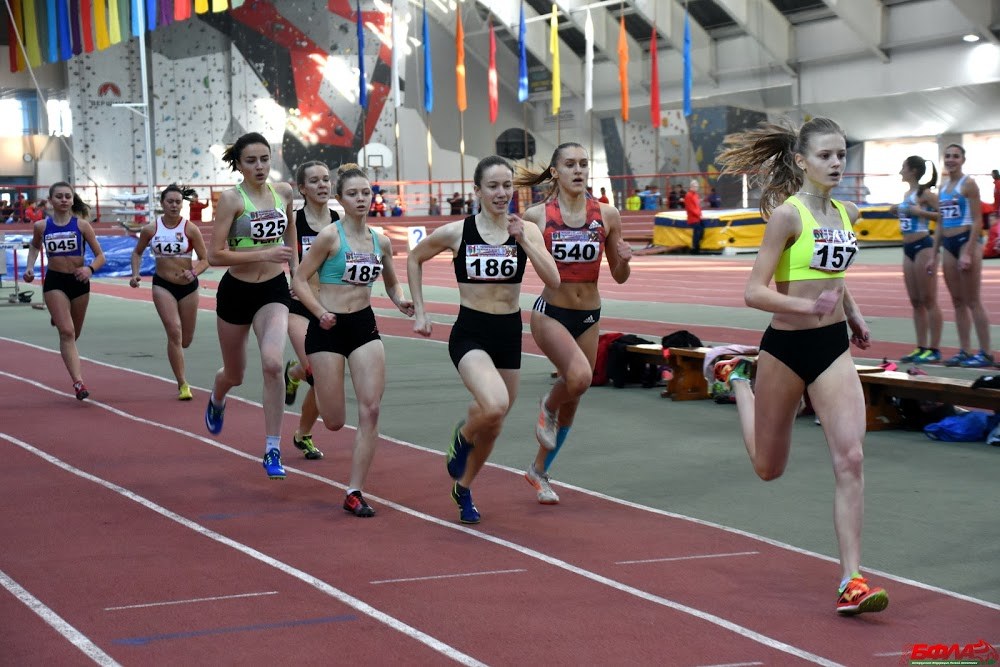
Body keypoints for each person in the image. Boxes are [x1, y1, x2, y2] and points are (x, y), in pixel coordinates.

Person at [714, 117, 888, 615]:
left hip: (832, 347)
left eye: (841, 155)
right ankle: (738, 379)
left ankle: (851, 579)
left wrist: (851, 313)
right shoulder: (787, 217)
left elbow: (833, 273)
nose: (836, 163)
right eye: (825, 155)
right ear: (801, 161)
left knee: (851, 458)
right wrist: (805, 307)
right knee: (768, 468)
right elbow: (754, 292)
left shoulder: (847, 212)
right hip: (786, 350)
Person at [407, 155, 560, 524]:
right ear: (477, 190)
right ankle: (462, 437)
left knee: (494, 422)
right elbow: (414, 258)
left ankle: (463, 488)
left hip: (508, 333)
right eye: (493, 186)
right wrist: (421, 312)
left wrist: (525, 242)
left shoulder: (525, 230)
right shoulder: (457, 232)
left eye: (507, 185)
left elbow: (554, 280)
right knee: (493, 405)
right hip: (471, 332)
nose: (501, 193)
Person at [292, 163, 414, 517]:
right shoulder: (329, 237)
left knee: (370, 410)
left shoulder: (381, 241)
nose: (361, 199)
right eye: (353, 194)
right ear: (340, 199)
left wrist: (400, 300)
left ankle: (354, 491)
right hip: (327, 328)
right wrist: (319, 312)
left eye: (365, 193)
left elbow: (392, 281)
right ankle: (298, 374)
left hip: (363, 326)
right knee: (333, 421)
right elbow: (299, 280)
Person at [516, 143, 632, 504]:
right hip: (551, 312)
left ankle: (538, 471)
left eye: (583, 164)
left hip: (589, 315)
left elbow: (619, 276)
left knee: (576, 395)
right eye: (570, 164)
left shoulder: (607, 215)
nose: (579, 170)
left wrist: (625, 259)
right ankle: (547, 405)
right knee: (579, 378)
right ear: (555, 172)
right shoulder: (537, 215)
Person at [203, 132, 298, 480]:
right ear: (239, 165)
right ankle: (218, 396)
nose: (259, 166)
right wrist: (263, 254)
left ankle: (272, 448)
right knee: (235, 374)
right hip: (236, 292)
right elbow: (215, 255)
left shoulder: (283, 192)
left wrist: (296, 273)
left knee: (273, 364)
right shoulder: (232, 199)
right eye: (251, 161)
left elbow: (290, 233)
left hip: (273, 290)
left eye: (264, 159)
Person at [22, 182, 107, 400]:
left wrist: (89, 269)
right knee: (67, 332)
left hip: (79, 282)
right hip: (55, 281)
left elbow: (101, 256)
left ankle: (59, 316)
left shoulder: (82, 226)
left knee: (74, 334)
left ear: (72, 199)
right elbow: (34, 246)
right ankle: (78, 382)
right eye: (59, 196)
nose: (63, 200)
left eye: (67, 196)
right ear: (50, 200)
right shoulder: (41, 226)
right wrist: (30, 267)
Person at [129, 185, 210, 399]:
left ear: (182, 204)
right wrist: (135, 274)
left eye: (177, 202)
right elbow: (137, 253)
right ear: (162, 204)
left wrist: (194, 272)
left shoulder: (190, 229)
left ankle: (179, 354)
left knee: (185, 340)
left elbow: (205, 259)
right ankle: (183, 384)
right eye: (170, 201)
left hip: (188, 287)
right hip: (163, 285)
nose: (174, 205)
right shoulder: (151, 229)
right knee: (174, 331)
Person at [283, 161, 338, 462]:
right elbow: (291, 259)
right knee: (318, 376)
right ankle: (305, 435)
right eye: (314, 181)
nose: (322, 185)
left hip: (332, 309)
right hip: (301, 307)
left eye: (326, 179)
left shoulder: (339, 221)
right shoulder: (294, 221)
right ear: (302, 188)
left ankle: (301, 432)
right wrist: (295, 277)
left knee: (326, 379)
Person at [936, 144, 993, 367]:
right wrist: (933, 253)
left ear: (963, 160)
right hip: (948, 244)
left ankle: (986, 353)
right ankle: (965, 350)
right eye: (948, 156)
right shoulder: (943, 187)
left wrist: (968, 252)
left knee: (973, 300)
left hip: (967, 242)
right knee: (957, 301)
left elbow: (978, 221)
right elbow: (940, 222)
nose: (951, 159)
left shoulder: (968, 184)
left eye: (955, 156)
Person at [888, 157, 943, 364]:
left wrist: (918, 212)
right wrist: (897, 210)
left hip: (923, 246)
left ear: (913, 170)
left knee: (929, 300)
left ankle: (934, 349)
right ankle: (921, 347)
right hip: (908, 248)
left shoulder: (926, 194)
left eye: (903, 167)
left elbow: (943, 216)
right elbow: (909, 215)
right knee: (916, 301)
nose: (900, 171)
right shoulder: (907, 194)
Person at [685, 179, 704, 254]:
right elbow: (691, 208)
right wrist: (699, 215)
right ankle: (694, 248)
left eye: (697, 186)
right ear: (691, 187)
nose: (697, 188)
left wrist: (700, 214)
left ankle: (696, 247)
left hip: (697, 217)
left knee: (699, 232)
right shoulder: (688, 195)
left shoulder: (696, 195)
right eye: (695, 186)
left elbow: (698, 206)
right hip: (693, 218)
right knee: (697, 232)